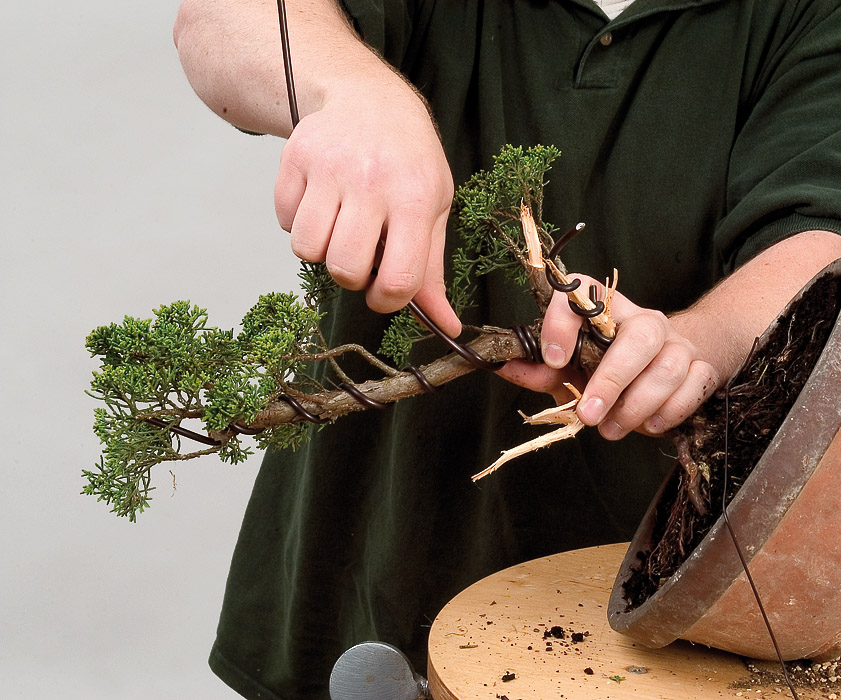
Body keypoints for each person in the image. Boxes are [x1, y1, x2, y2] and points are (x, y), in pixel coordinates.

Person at [173, 1, 841, 697]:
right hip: (376, 541)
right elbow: (223, 19)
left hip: (680, 581)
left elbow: (818, 231)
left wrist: (688, 346)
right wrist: (353, 93)